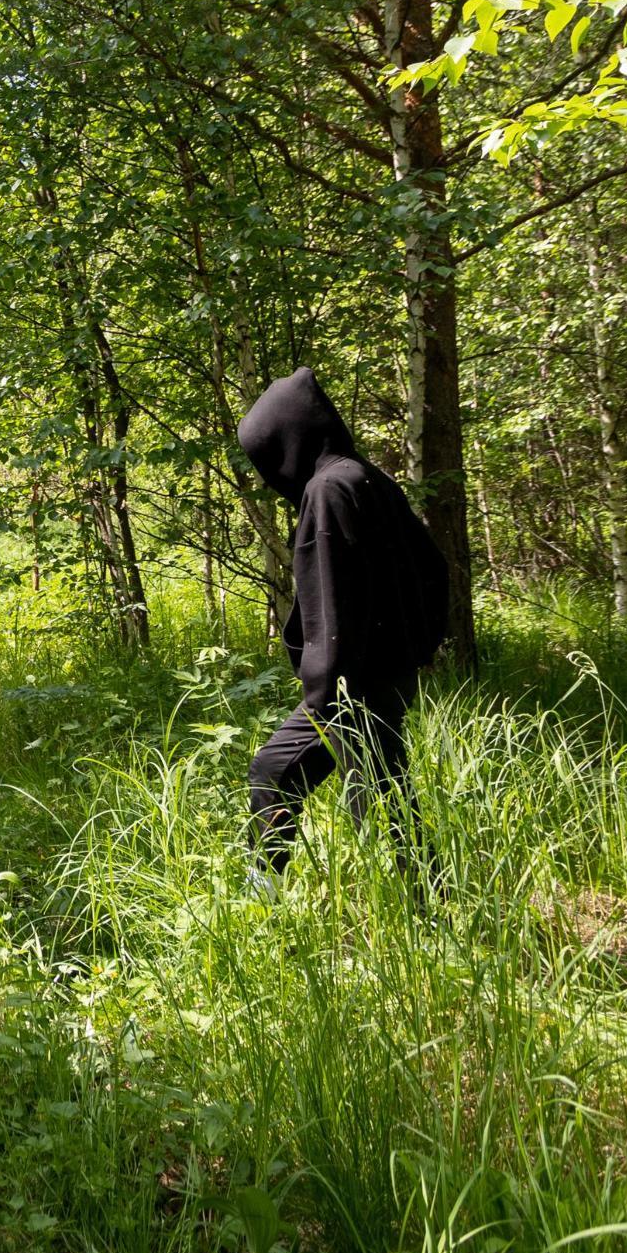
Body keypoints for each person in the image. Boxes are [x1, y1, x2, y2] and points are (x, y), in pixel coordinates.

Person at [235, 367, 448, 883]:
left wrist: (324, 694)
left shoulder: (327, 492)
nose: (270, 476)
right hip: (391, 675)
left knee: (273, 771)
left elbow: (329, 602)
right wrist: (416, 648)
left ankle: (264, 904)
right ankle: (431, 904)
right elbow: (435, 571)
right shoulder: (370, 478)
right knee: (386, 791)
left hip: (349, 686)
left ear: (290, 441)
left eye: (267, 459)